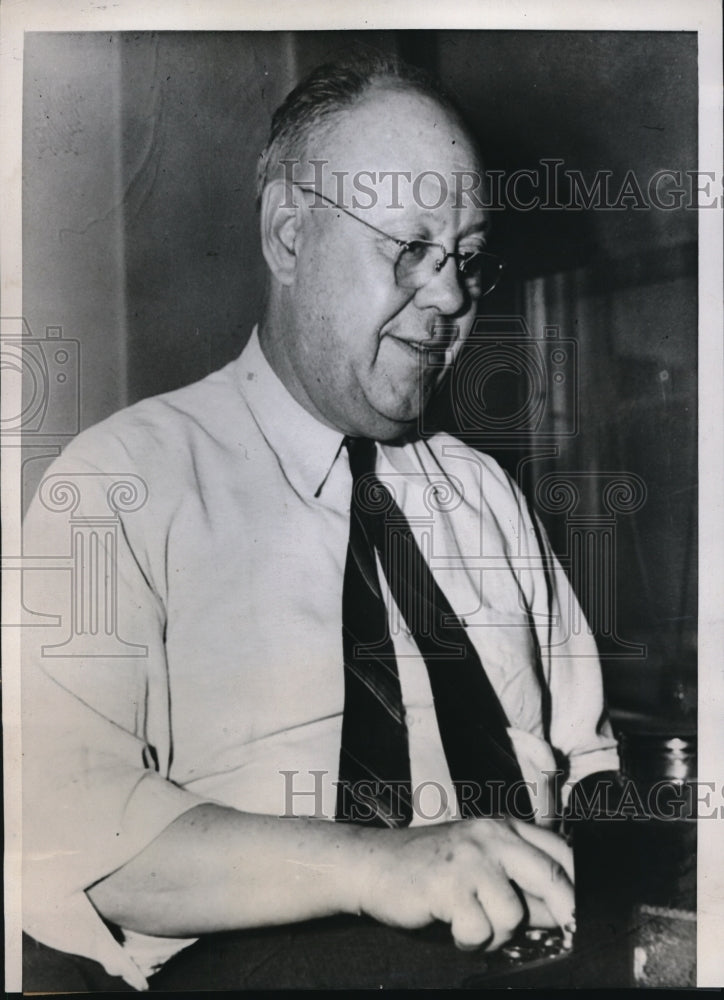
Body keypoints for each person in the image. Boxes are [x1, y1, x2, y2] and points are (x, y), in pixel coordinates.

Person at [21, 52, 618, 991]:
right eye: (410, 248)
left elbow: (593, 762)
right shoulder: (118, 485)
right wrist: (382, 866)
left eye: (466, 256)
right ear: (289, 236)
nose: (454, 296)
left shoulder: (489, 500)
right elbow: (61, 830)